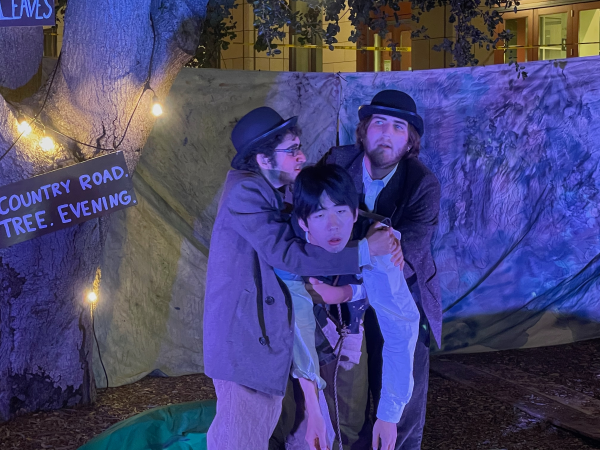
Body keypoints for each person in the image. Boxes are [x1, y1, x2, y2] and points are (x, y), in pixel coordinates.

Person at [203, 106, 402, 450]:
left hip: (263, 340)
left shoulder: (272, 189)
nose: (303, 156)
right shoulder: (245, 192)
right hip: (246, 342)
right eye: (292, 150)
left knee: (261, 433)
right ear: (264, 160)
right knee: (239, 439)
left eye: (300, 147)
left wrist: (376, 227)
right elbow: (285, 253)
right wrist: (366, 250)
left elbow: (320, 208)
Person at [323, 90, 442, 449]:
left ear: (409, 140)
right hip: (342, 297)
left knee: (399, 413)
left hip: (404, 295)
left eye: (398, 127)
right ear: (364, 131)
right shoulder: (336, 163)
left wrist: (358, 240)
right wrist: (370, 240)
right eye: (378, 124)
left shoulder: (422, 184)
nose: (386, 134)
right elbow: (316, 226)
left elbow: (405, 253)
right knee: (344, 405)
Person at [272, 163, 420, 450]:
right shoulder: (286, 248)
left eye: (341, 211)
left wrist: (389, 415)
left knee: (349, 422)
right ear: (303, 221)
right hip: (288, 336)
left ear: (354, 213)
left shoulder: (376, 238)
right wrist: (314, 411)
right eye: (320, 214)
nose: (333, 226)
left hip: (348, 327)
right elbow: (300, 328)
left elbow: (400, 323)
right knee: (296, 424)